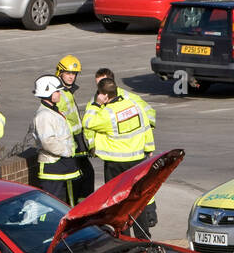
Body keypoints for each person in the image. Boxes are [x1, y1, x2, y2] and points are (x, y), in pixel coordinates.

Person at [83, 77, 159, 230]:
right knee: (138, 198)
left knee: (117, 201)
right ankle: (143, 235)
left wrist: (96, 104)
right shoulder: (134, 105)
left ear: (104, 95)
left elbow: (87, 122)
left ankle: (123, 234)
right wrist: (149, 148)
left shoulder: (106, 114)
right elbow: (145, 127)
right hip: (137, 159)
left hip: (115, 163)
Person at [32, 75, 80, 205]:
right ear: (48, 93)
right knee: (52, 207)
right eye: (57, 91)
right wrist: (67, 151)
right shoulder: (44, 115)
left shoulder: (53, 111)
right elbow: (48, 142)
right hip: (53, 168)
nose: (60, 94)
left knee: (65, 205)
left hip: (61, 166)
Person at [55, 55, 94, 199]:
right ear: (60, 72)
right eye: (68, 73)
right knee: (78, 180)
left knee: (87, 176)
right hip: (70, 143)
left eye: (74, 74)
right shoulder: (59, 94)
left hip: (78, 142)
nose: (71, 77)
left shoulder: (67, 91)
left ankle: (84, 206)